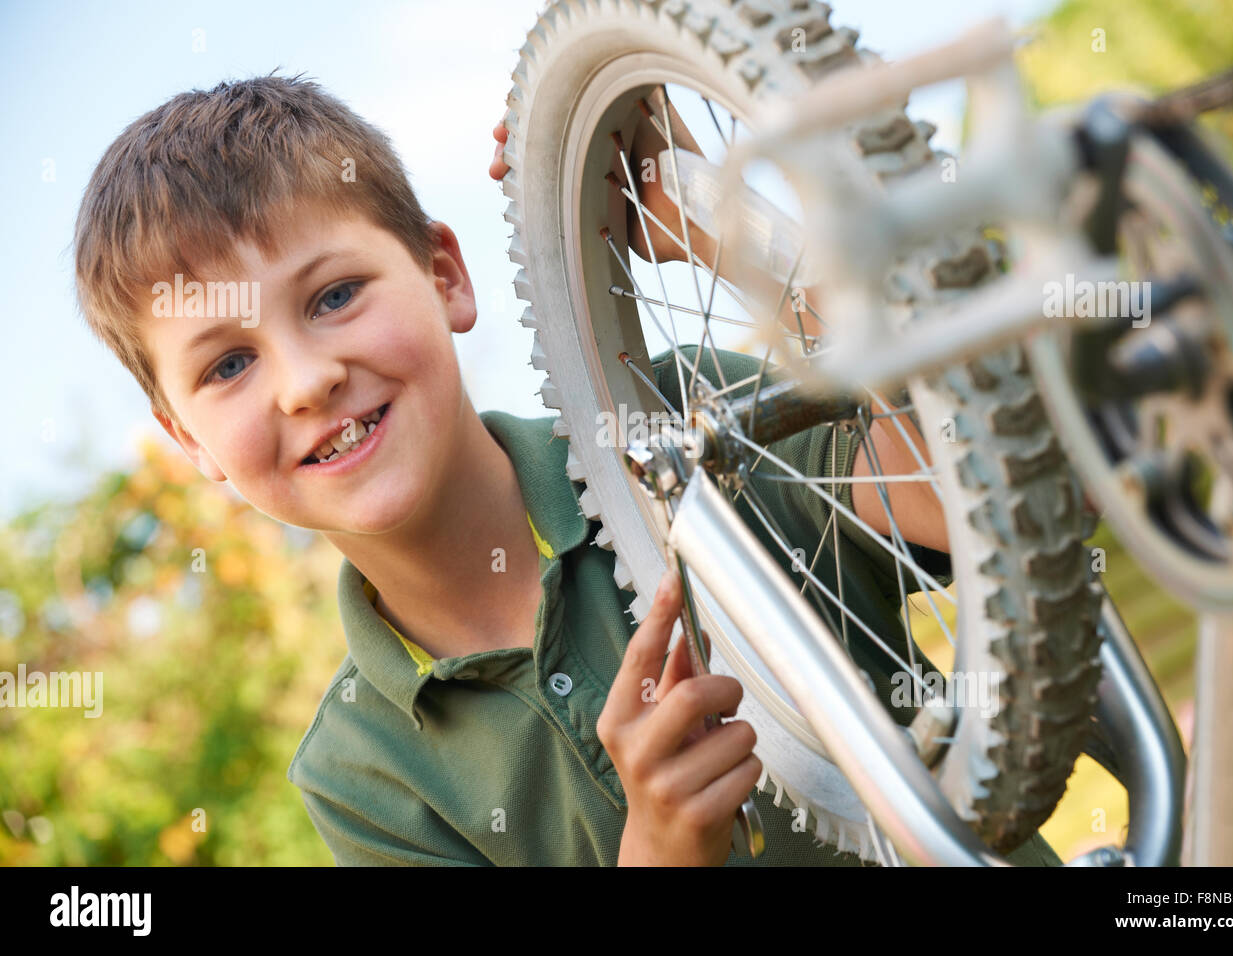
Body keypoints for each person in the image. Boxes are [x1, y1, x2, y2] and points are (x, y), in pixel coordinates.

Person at [73, 73, 1060, 866]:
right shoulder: (360, 774)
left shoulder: (685, 419)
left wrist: (712, 222)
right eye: (228, 364)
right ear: (190, 441)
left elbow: (981, 491)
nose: (304, 379)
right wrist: (662, 848)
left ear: (445, 275)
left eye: (334, 294)